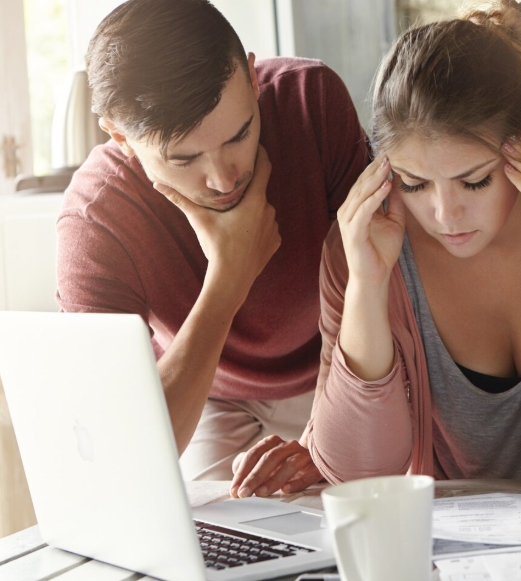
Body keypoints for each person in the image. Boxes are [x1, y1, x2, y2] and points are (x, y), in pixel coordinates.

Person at [231, 0, 521, 499]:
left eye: (475, 181)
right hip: (472, 551)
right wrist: (367, 287)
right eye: (414, 183)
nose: (445, 215)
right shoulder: (363, 242)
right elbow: (358, 479)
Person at [56, 0, 368, 490]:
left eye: (240, 133)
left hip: (340, 367)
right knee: (222, 542)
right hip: (206, 394)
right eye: (184, 158)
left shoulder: (313, 101)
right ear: (120, 137)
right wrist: (229, 277)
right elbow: (125, 445)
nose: (224, 178)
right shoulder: (96, 217)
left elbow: (378, 293)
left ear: (251, 75)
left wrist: (323, 435)